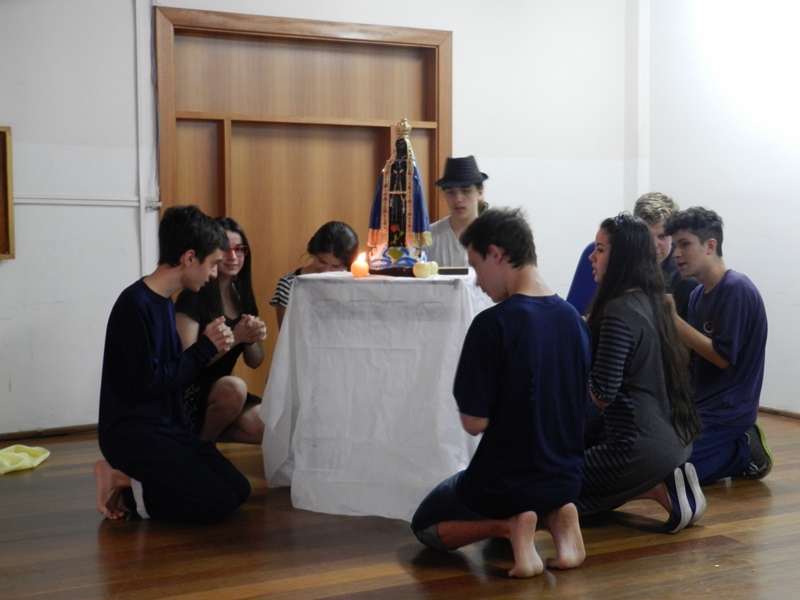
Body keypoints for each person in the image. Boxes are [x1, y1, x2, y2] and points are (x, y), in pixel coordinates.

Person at [411, 207, 591, 578]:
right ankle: (559, 520)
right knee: (540, 492)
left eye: (476, 267)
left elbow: (474, 423)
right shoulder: (574, 319)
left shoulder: (492, 324)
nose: (477, 282)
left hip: (505, 484)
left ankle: (508, 526)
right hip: (566, 479)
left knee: (425, 525)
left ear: (495, 254)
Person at [94, 205, 250, 523]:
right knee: (218, 503)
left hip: (168, 429)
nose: (213, 274)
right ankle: (121, 480)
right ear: (189, 257)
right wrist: (206, 348)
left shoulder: (164, 302)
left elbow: (172, 373)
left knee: (238, 489)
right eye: (213, 264)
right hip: (134, 434)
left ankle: (132, 488)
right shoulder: (134, 304)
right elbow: (149, 383)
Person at [577, 213, 705, 533]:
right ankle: (662, 486)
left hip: (636, 448)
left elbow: (602, 395)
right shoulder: (652, 301)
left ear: (621, 258)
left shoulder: (618, 311)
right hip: (677, 440)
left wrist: (575, 362)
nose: (591, 257)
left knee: (549, 490)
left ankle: (659, 488)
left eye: (600, 250)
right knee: (583, 492)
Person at [664, 207, 771, 484]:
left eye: (684, 244)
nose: (676, 254)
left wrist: (672, 319)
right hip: (702, 405)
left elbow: (722, 357)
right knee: (652, 458)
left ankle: (745, 449)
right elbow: (690, 354)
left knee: (673, 473)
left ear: (710, 246)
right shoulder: (697, 294)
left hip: (729, 411)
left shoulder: (736, 288)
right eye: (674, 246)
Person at [175, 217, 267, 444]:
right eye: (226, 250)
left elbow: (255, 361)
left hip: (222, 392)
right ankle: (200, 449)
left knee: (265, 428)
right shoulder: (193, 295)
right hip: (189, 390)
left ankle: (191, 438)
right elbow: (186, 364)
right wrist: (235, 337)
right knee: (235, 387)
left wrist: (252, 337)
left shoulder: (242, 297)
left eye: (240, 249)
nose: (233, 257)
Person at [270, 221, 359, 329]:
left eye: (336, 266)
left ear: (346, 265)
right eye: (322, 261)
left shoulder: (352, 285)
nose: (327, 271)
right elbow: (286, 333)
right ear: (313, 252)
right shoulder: (289, 284)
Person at [633, 192, 699, 319]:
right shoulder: (624, 267)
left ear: (673, 236)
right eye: (647, 235)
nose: (654, 244)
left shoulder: (686, 281)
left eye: (662, 236)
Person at [426, 155, 489, 267]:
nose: (458, 199)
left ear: (479, 193)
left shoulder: (494, 235)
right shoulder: (429, 237)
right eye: (451, 192)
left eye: (466, 191)